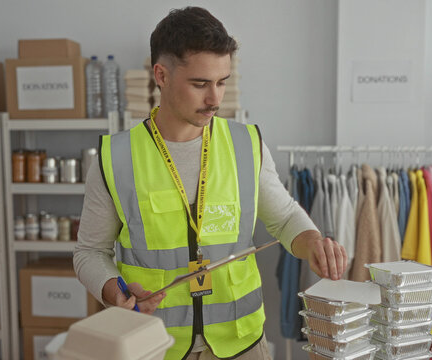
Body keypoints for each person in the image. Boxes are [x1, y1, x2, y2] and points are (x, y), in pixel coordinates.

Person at [74, 6, 348, 360]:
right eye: (200, 84)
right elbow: (89, 253)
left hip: (243, 345)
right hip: (155, 345)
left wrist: (312, 242)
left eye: (222, 82)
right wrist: (116, 290)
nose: (214, 99)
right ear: (161, 75)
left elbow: (282, 218)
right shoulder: (115, 159)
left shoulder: (245, 145)